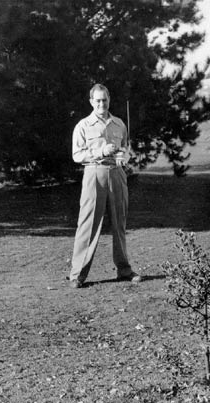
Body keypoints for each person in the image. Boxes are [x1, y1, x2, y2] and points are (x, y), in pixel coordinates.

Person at [68, 83, 141, 288]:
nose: (102, 103)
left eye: (105, 100)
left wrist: (124, 156)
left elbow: (126, 147)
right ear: (91, 101)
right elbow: (77, 155)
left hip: (117, 174)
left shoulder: (119, 124)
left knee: (120, 222)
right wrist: (101, 152)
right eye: (98, 100)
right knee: (88, 224)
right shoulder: (83, 126)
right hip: (94, 173)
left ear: (109, 100)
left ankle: (124, 270)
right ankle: (77, 275)